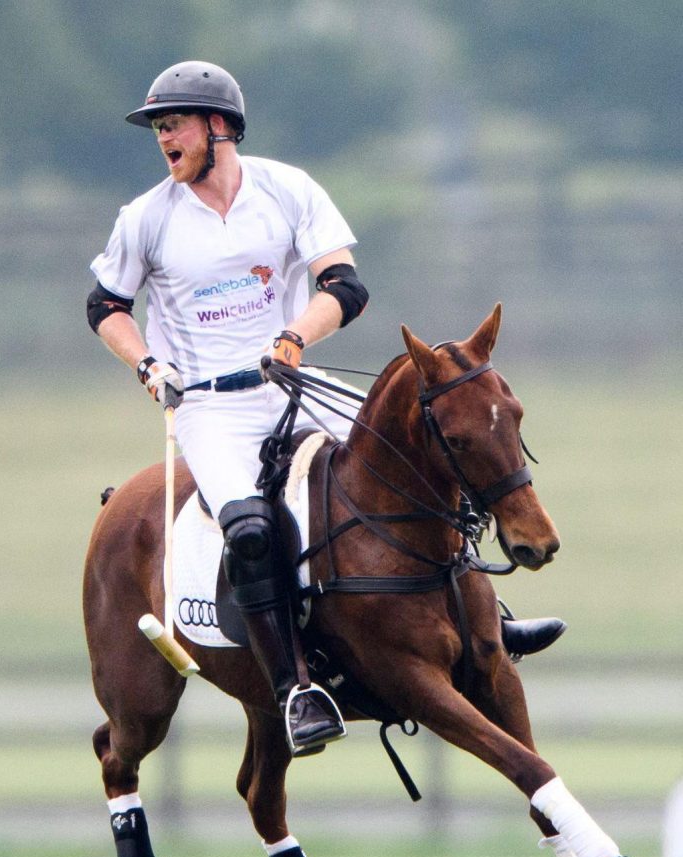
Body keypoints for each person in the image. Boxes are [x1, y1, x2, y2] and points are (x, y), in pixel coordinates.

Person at [88, 60, 564, 758]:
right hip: (210, 411)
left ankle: (488, 621)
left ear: (219, 127)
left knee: (417, 452)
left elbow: (344, 284)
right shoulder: (147, 217)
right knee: (250, 528)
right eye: (158, 127)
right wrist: (146, 363)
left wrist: (293, 336)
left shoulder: (286, 190)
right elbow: (105, 305)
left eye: (174, 123)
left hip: (290, 386)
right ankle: (295, 691)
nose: (163, 137)